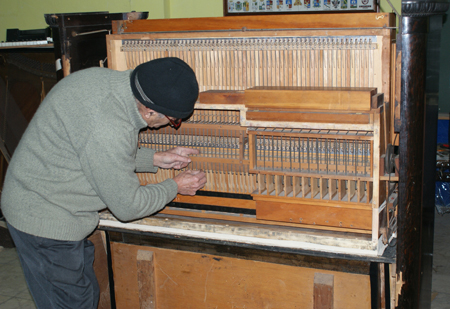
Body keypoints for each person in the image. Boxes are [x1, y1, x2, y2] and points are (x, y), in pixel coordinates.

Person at [0, 57, 207, 308]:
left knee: (85, 296)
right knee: (71, 303)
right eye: (174, 121)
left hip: (44, 195)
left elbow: (89, 151)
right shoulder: (109, 125)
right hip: (43, 218)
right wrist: (175, 186)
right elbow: (128, 206)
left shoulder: (104, 82)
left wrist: (154, 158)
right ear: (150, 111)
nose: (175, 125)